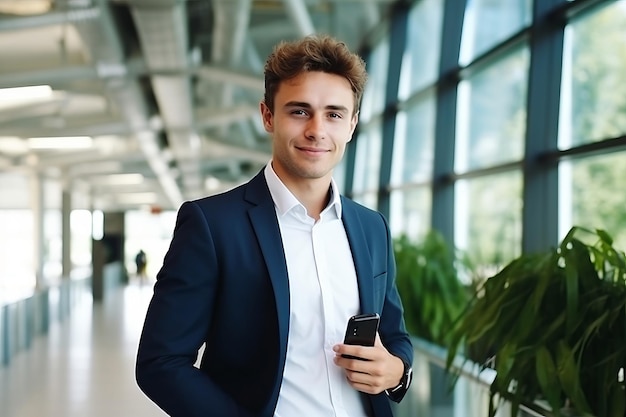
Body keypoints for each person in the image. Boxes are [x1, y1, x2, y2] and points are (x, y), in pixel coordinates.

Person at [135, 34, 413, 417]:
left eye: (333, 114)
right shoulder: (212, 225)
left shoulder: (371, 228)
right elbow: (160, 362)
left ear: (352, 124)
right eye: (299, 111)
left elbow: (395, 335)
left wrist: (397, 371)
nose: (317, 129)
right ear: (268, 116)